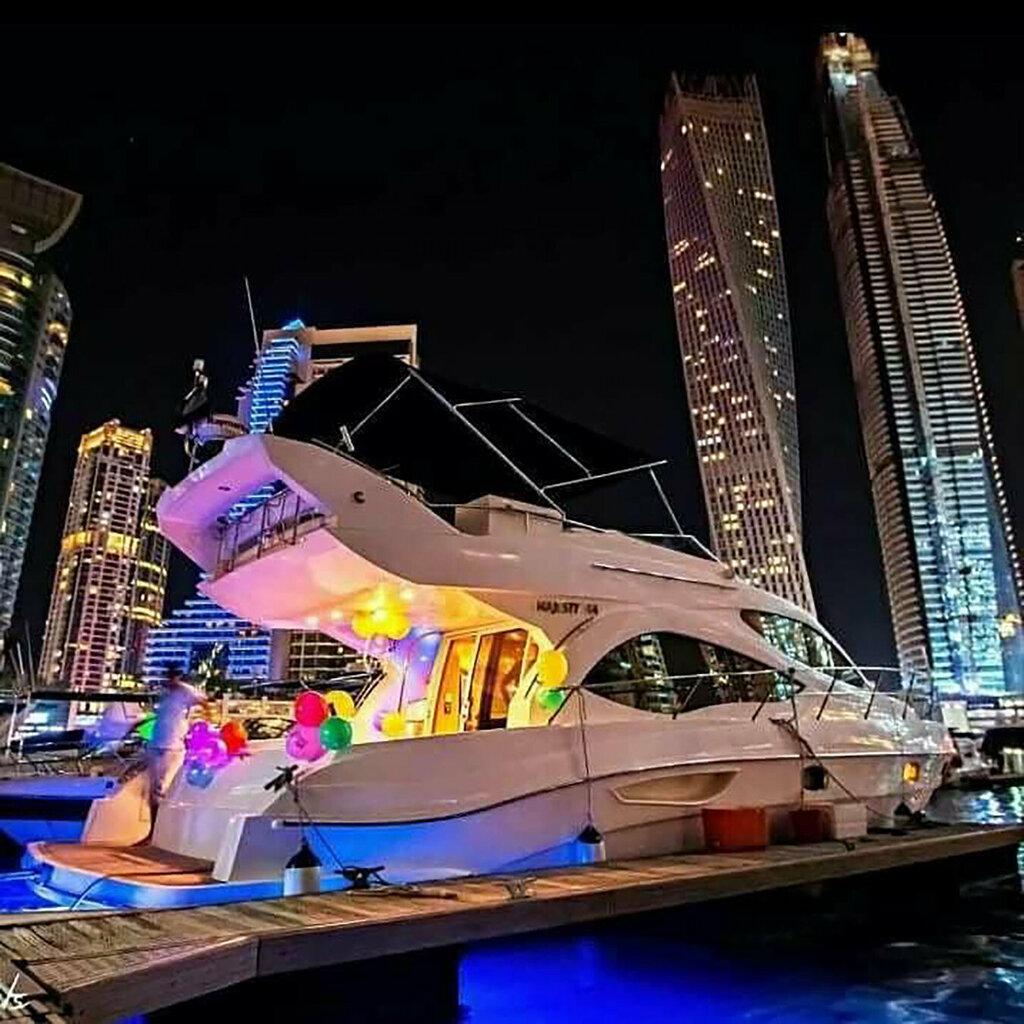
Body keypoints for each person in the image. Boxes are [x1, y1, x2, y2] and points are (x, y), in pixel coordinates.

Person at [148, 665, 207, 805]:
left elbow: (204, 701)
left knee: (164, 781)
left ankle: (161, 806)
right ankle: (157, 806)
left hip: (171, 743)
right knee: (158, 782)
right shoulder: (166, 692)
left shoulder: (184, 691)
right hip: (160, 742)